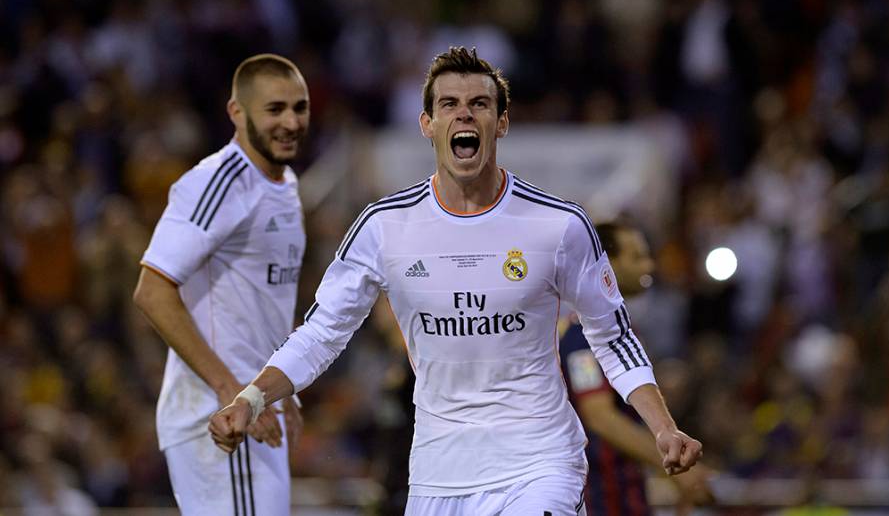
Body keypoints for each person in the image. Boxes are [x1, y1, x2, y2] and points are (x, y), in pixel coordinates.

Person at [210, 46, 702, 515]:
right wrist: (250, 399)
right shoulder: (384, 226)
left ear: (501, 122)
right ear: (428, 124)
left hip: (539, 464)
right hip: (437, 476)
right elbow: (320, 334)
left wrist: (663, 428)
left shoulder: (560, 225)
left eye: (480, 104)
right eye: (449, 104)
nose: (464, 114)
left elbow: (613, 335)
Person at [133, 53, 309, 514]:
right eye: (275, 109)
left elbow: (263, 300)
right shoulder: (219, 181)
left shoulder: (285, 183)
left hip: (254, 408)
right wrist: (233, 391)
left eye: (299, 107)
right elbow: (151, 290)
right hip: (222, 422)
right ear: (237, 112)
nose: (291, 121)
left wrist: (281, 385)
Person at [560, 219, 714, 515]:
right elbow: (599, 415)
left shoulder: (623, 330)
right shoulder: (583, 337)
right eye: (637, 257)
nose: (650, 265)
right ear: (607, 265)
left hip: (623, 489)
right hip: (599, 496)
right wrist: (671, 463)